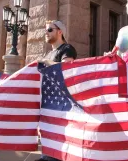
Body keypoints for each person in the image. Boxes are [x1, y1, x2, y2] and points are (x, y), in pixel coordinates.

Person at [36, 20, 77, 161]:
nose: (46, 33)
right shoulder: (49, 53)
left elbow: (66, 69)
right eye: (45, 30)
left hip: (61, 104)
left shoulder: (67, 49)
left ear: (60, 32)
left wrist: (45, 64)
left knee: (59, 144)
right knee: (48, 140)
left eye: (49, 30)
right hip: (48, 104)